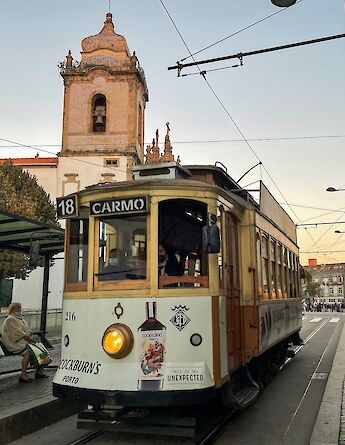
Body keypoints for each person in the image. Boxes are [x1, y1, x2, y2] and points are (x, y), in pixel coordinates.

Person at [1, 303, 46, 383]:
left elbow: (26, 330)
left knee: (37, 350)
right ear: (13, 309)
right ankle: (23, 374)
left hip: (21, 342)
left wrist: (29, 334)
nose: (20, 310)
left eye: (20, 308)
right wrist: (26, 336)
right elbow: (16, 332)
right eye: (18, 308)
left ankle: (39, 371)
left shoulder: (19, 319)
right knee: (29, 352)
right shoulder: (10, 319)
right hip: (14, 343)